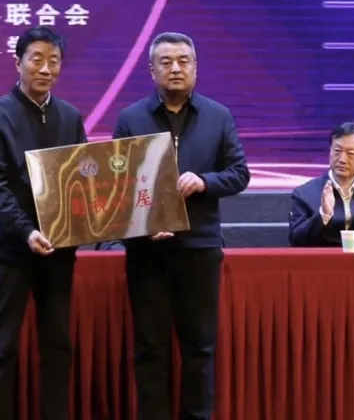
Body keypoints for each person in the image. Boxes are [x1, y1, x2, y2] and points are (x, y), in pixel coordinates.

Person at [112, 32, 249, 420]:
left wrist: (205, 181)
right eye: (166, 61)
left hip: (199, 249)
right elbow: (114, 187)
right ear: (151, 69)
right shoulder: (131, 118)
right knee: (149, 349)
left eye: (183, 61)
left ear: (195, 67)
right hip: (147, 251)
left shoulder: (218, 116)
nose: (175, 68)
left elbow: (239, 173)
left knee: (199, 347)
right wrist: (140, 228)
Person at [0, 26, 87, 420]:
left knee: (58, 345)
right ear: (17, 63)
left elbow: (83, 180)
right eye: (36, 59)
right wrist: (26, 230)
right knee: (1, 347)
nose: (45, 69)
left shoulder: (70, 117)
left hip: (58, 250)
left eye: (54, 61)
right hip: (9, 250)